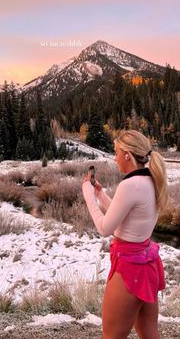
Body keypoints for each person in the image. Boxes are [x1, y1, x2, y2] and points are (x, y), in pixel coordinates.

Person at [82, 129, 168, 339]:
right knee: (149, 332)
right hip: (148, 265)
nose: (115, 157)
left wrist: (89, 197)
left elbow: (105, 228)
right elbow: (126, 218)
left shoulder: (129, 185)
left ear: (128, 155)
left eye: (116, 152)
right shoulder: (151, 180)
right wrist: (101, 195)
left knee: (111, 335)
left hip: (129, 269)